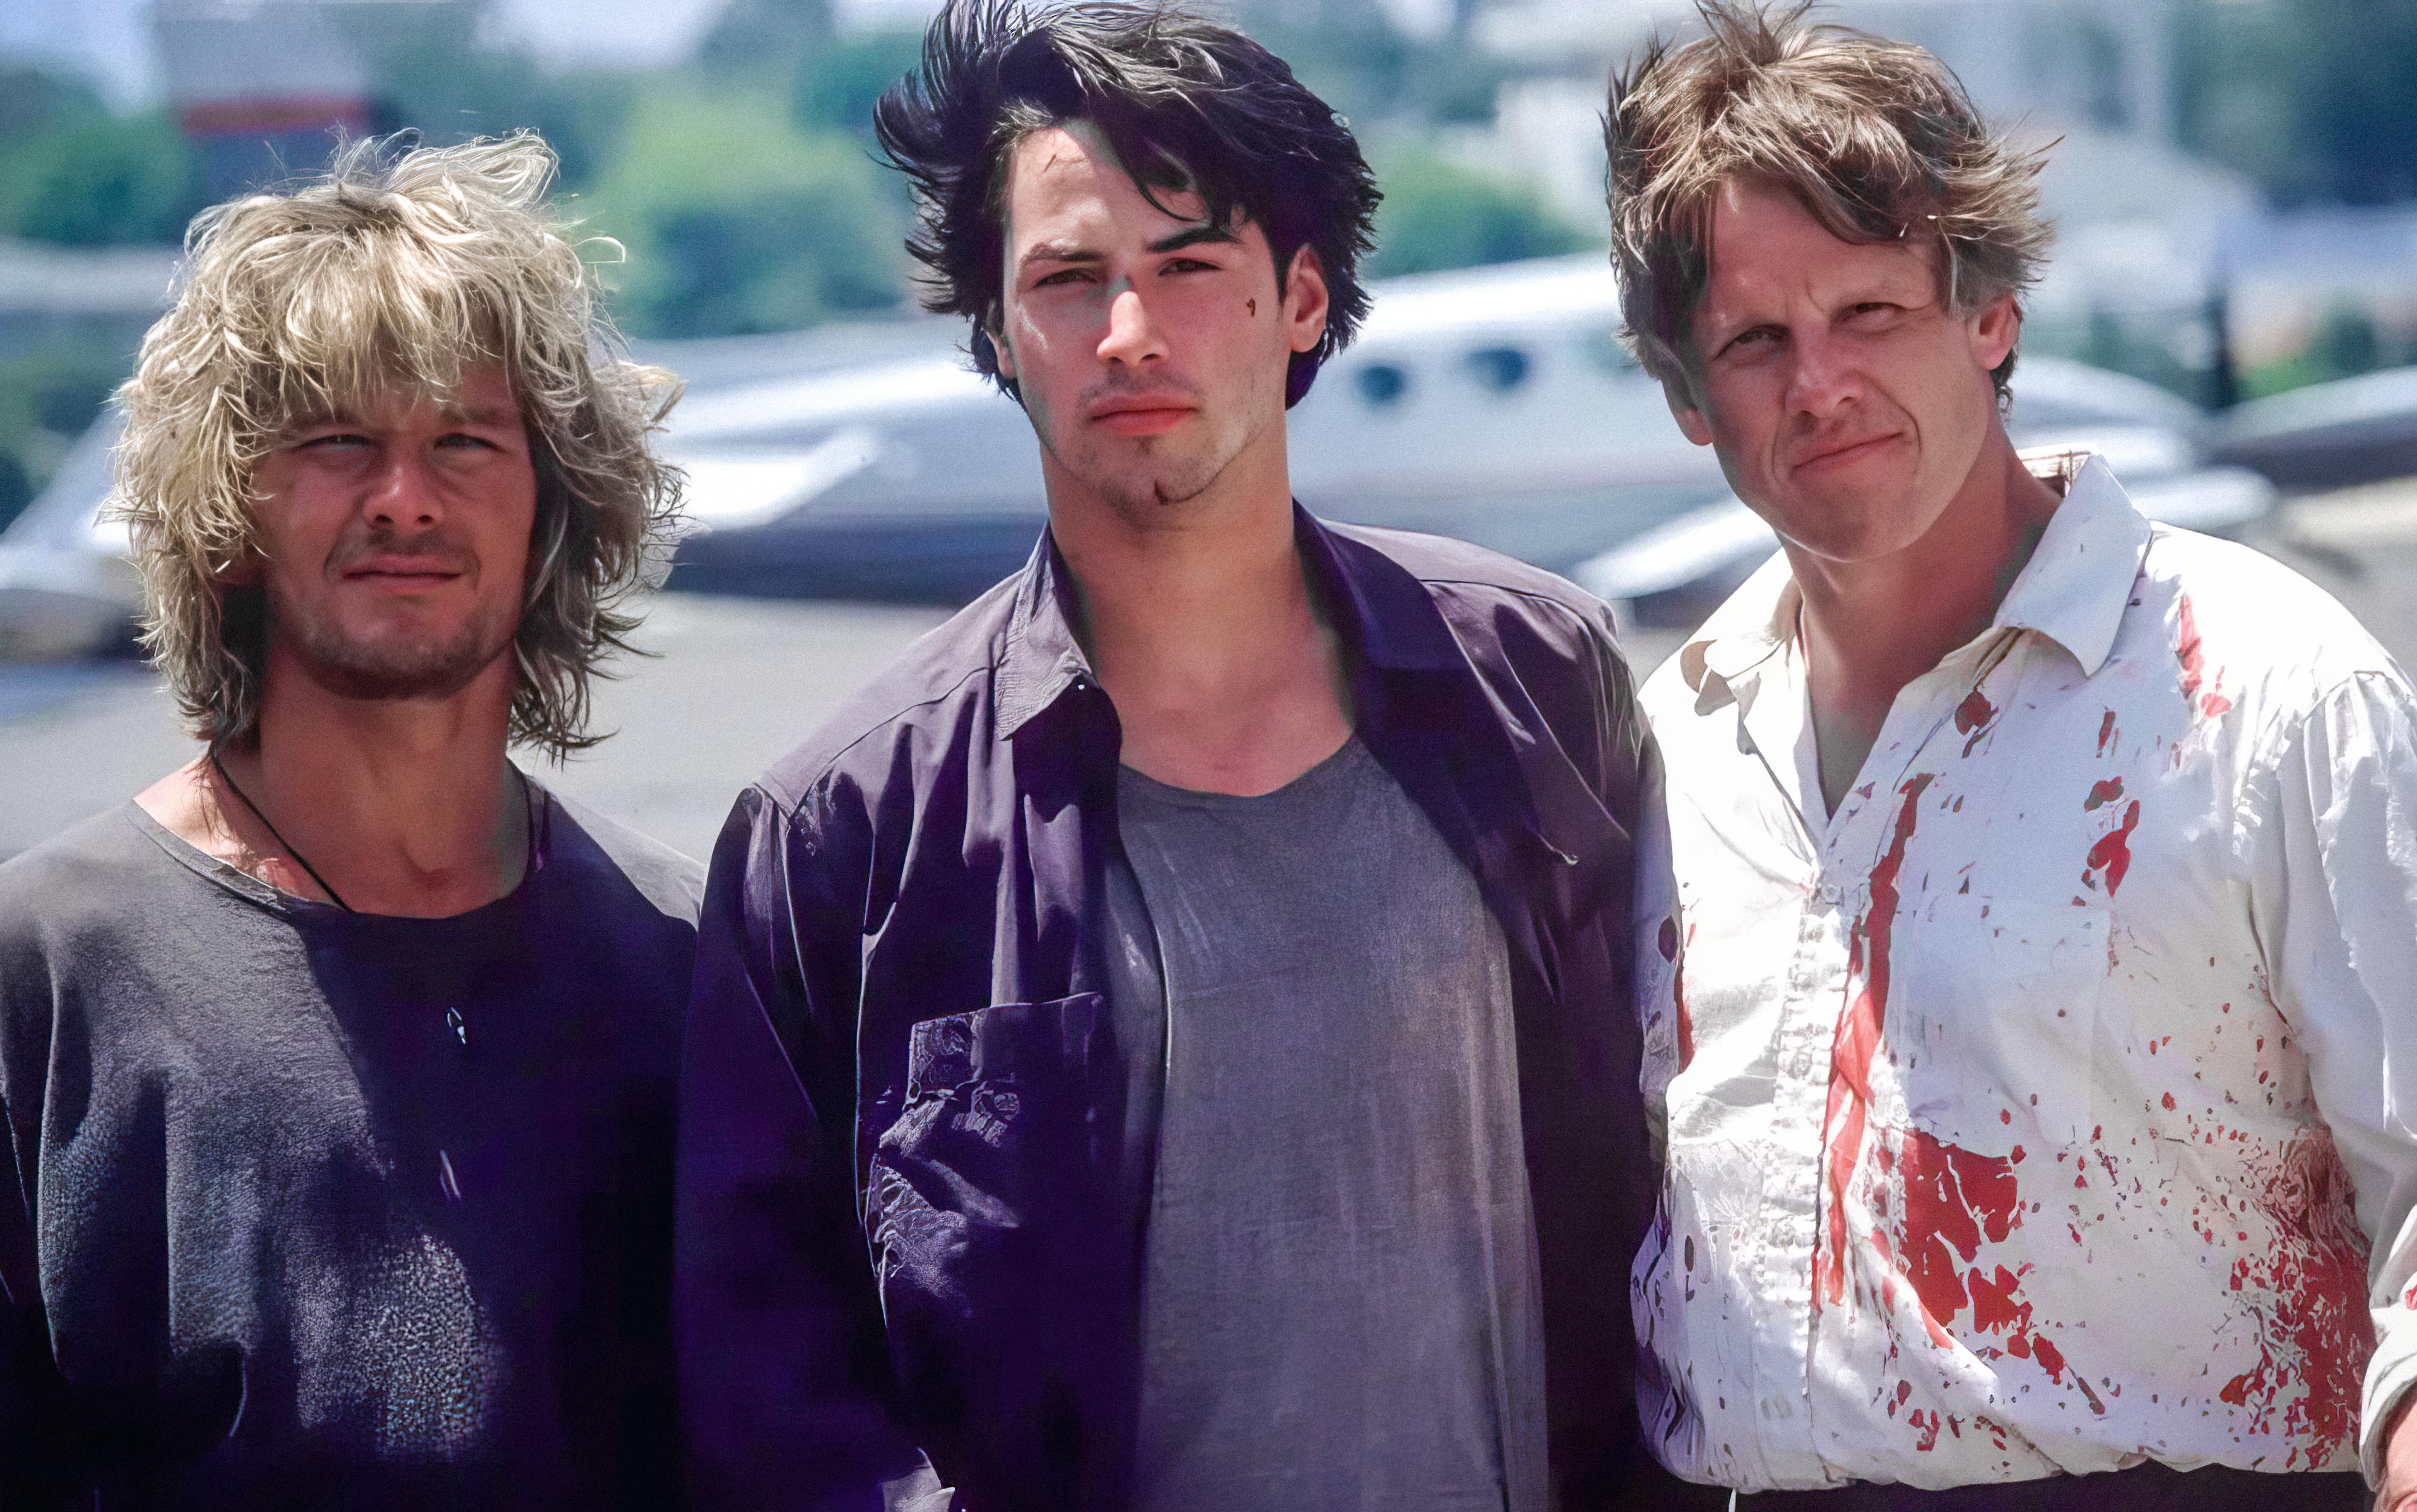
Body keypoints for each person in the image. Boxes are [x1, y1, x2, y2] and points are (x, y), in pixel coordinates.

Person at [674, 2, 1701, 1508]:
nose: (1129, 332)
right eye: (1069, 280)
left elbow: (1692, 1173)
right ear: (1000, 334)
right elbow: (772, 1376)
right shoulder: (847, 831)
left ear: (1299, 298)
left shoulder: (1535, 687)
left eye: (1188, 264)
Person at [1605, 6, 2417, 1510]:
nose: (1817, 386)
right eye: (1751, 340)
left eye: (1868, 312)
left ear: (1987, 316)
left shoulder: (2272, 691)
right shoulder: (1669, 746)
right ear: (1683, 396)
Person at [0, 133, 700, 1509]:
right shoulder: (36, 974)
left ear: (553, 506)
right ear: (230, 511)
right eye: (338, 442)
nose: (404, 499)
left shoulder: (685, 957)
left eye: (463, 439)